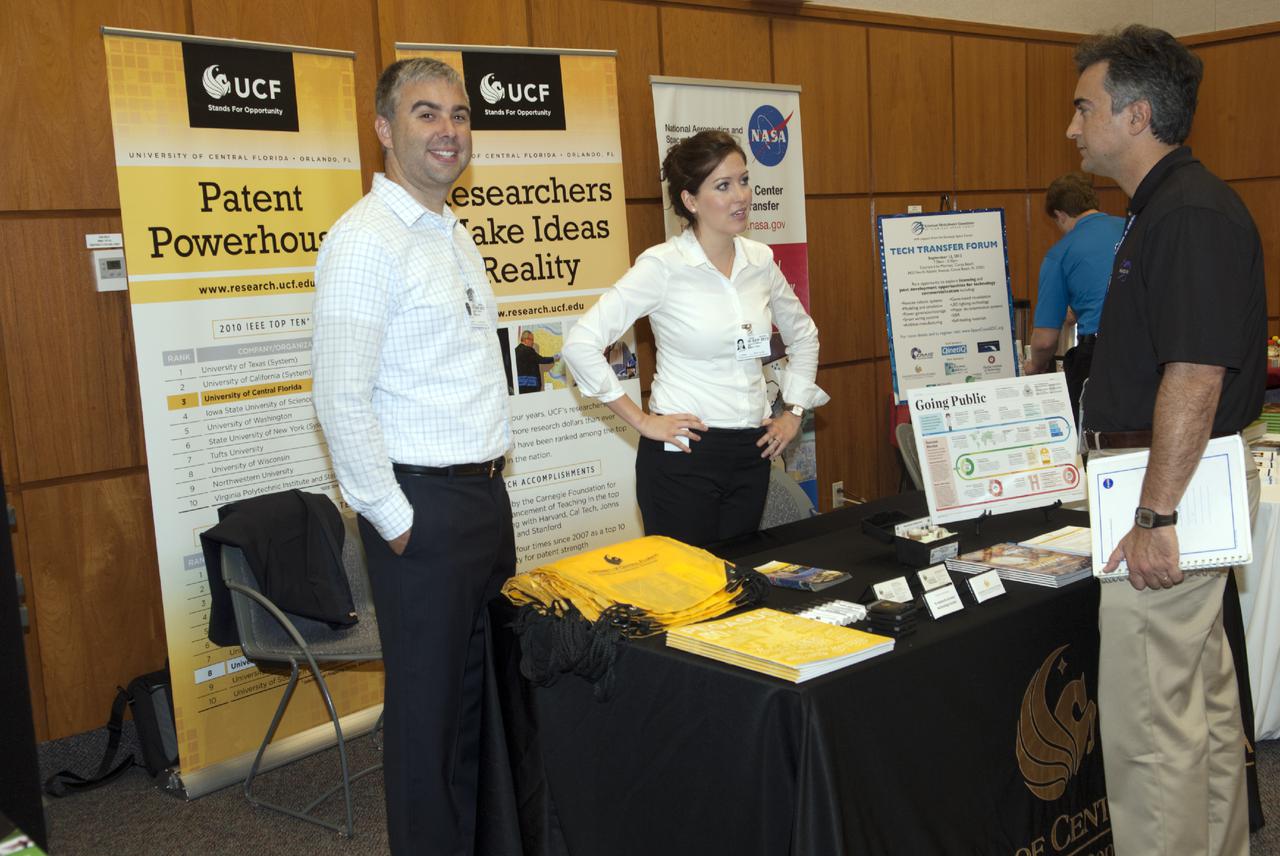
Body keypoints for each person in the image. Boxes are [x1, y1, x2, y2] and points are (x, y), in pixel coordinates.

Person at [311, 57, 514, 856]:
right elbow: (338, 396)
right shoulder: (366, 242)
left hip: (480, 502)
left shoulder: (451, 234)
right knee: (428, 726)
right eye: (426, 114)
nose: (448, 130)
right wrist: (394, 521)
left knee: (483, 706)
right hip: (420, 515)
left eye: (459, 115)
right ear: (386, 130)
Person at [1070, 25, 1264, 855]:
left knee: (1153, 729)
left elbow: (1195, 375)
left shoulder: (1184, 213)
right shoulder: (1171, 207)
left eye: (1084, 108)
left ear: (1136, 114)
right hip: (1189, 484)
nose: (1072, 128)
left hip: (1171, 494)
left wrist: (1153, 518)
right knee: (1200, 710)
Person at [562, 130, 828, 548]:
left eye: (743, 180)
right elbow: (580, 344)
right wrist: (642, 421)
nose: (740, 195)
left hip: (751, 453)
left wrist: (793, 411)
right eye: (723, 186)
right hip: (684, 458)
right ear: (690, 201)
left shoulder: (759, 260)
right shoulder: (663, 266)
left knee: (736, 588)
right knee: (687, 598)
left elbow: (805, 336)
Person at [1023, 173, 1124, 425]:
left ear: (1060, 215)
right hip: (1154, 351)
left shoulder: (1060, 253)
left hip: (1102, 361)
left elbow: (1045, 341)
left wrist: (1034, 366)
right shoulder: (1131, 227)